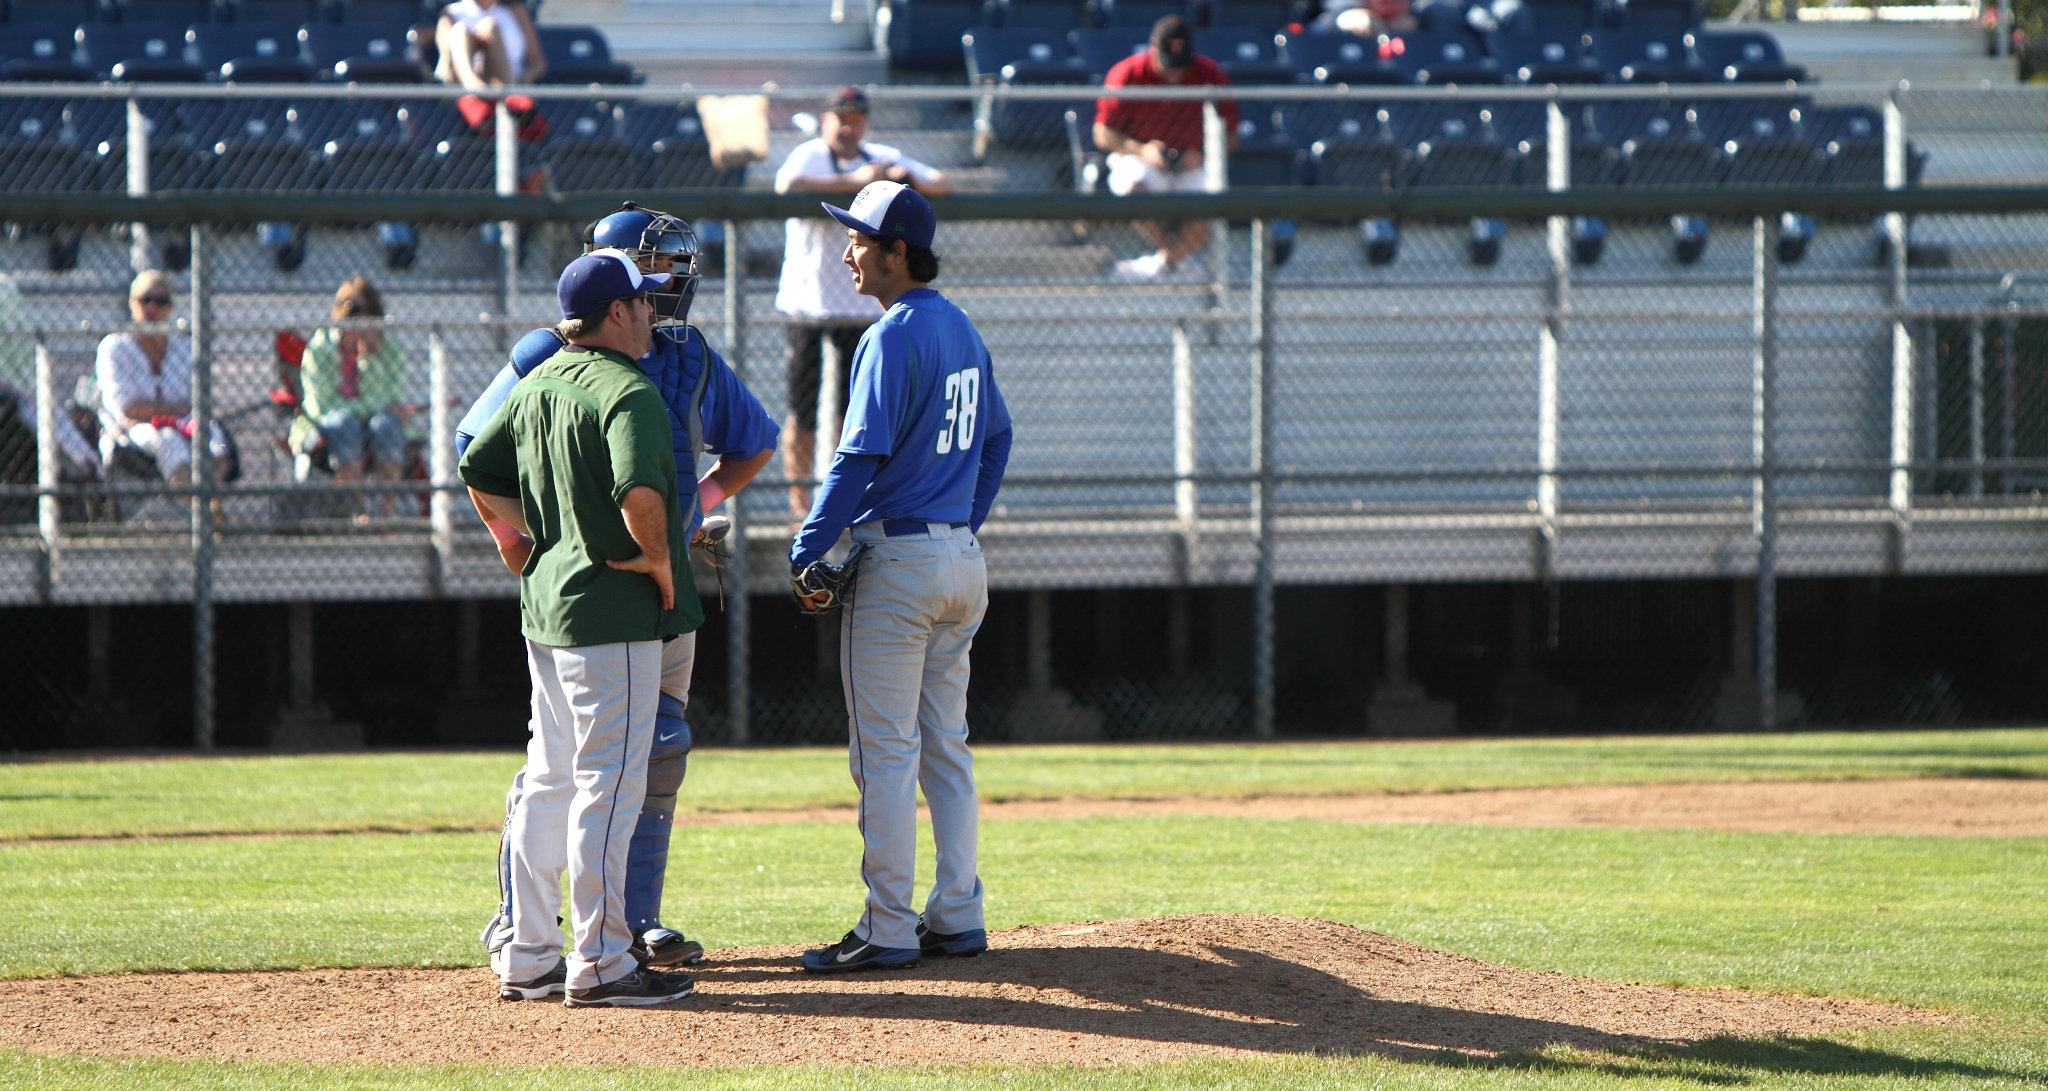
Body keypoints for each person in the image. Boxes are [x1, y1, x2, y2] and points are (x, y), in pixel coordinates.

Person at [458, 205, 778, 992]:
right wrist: (658, 559)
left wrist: (692, 506)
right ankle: (580, 949)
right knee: (599, 772)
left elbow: (753, 440)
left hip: (578, 592)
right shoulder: (563, 360)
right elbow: (481, 450)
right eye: (647, 274)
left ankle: (598, 932)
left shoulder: (684, 353)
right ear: (613, 300)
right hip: (624, 592)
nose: (665, 285)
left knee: (613, 760)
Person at [457, 247, 698, 1008]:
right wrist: (659, 561)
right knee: (611, 783)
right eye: (643, 303)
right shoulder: (625, 389)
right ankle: (601, 961)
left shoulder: (541, 382)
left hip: (546, 608)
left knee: (551, 778)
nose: (652, 315)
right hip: (611, 614)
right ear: (617, 313)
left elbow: (479, 469)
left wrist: (514, 544)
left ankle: (528, 953)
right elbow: (639, 492)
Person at [790, 180, 1012, 973]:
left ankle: (887, 925)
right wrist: (964, 521)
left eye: (857, 238)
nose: (845, 250)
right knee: (945, 746)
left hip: (901, 563)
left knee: (883, 752)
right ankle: (958, 912)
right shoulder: (960, 326)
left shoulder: (889, 335)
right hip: (959, 558)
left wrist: (808, 544)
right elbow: (999, 437)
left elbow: (859, 458)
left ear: (895, 252)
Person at [774, 85, 950, 518]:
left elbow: (940, 183)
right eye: (840, 116)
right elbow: (786, 187)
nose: (848, 125)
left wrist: (899, 180)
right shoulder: (809, 156)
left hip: (859, 309)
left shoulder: (880, 155)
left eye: (856, 117)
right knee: (804, 408)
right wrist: (852, 184)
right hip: (808, 304)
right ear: (826, 119)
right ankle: (801, 505)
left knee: (852, 408)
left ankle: (843, 498)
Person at [1092, 15, 1240, 281]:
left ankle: (1163, 263)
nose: (1173, 73)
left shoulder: (1209, 74)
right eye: (1168, 64)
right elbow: (1102, 133)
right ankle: (1176, 258)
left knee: (1215, 201)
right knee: (1132, 188)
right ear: (1153, 49)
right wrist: (1142, 150)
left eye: (1180, 66)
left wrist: (1204, 155)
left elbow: (1232, 135)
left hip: (1193, 160)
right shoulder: (1129, 73)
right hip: (1143, 157)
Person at [289, 277, 412, 519]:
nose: (362, 320)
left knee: (386, 425)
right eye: (354, 311)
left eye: (370, 313)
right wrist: (369, 407)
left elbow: (391, 396)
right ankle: (360, 509)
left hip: (374, 425)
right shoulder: (320, 347)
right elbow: (320, 405)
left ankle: (385, 513)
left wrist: (370, 358)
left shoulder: (388, 349)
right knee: (345, 423)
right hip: (327, 425)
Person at [94, 270, 194, 484]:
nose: (152, 308)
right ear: (132, 303)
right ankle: (201, 509)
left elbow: (197, 403)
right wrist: (175, 411)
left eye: (160, 301)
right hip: (133, 436)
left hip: (185, 426)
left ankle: (213, 506)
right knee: (169, 441)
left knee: (218, 441)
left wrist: (162, 410)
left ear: (170, 307)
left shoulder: (184, 347)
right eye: (145, 300)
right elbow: (128, 409)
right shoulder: (115, 347)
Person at [434, 0, 546, 89]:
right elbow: (445, 61)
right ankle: (474, 89)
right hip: (463, 89)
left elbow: (538, 63)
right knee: (461, 30)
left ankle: (508, 98)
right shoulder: (451, 13)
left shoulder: (516, 11)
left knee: (490, 27)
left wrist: (525, 79)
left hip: (511, 82)